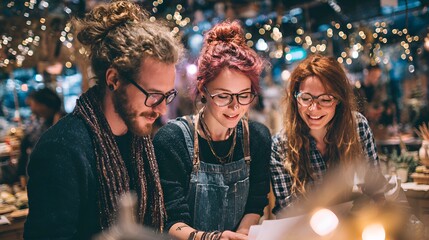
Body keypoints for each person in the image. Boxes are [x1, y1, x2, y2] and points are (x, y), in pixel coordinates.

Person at [24, 1, 183, 239]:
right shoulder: (61, 150)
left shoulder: (141, 142)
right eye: (153, 95)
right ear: (114, 80)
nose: (161, 109)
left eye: (167, 95)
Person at [153, 20, 271, 240]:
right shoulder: (172, 140)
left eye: (244, 95)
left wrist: (242, 234)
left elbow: (256, 200)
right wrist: (213, 238)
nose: (235, 107)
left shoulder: (257, 138)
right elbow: (170, 220)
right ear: (203, 90)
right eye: (224, 96)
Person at [270, 55, 387, 215]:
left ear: (339, 100)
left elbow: (376, 189)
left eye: (325, 100)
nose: (313, 109)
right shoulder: (281, 145)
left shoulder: (357, 126)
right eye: (306, 98)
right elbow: (288, 211)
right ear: (295, 99)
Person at [17, 87, 65, 188]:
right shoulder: (43, 121)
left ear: (45, 105)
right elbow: (25, 143)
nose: (32, 109)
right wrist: (21, 173)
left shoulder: (63, 120)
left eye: (34, 105)